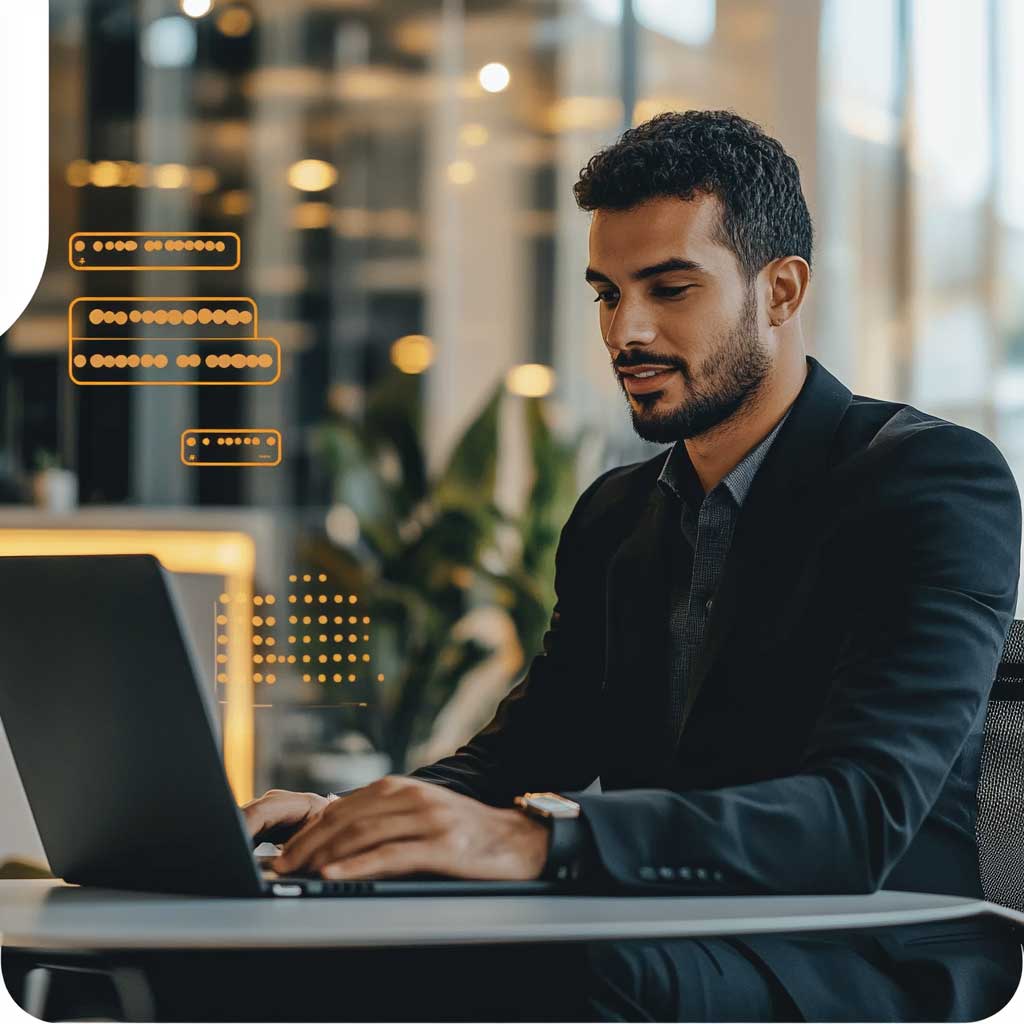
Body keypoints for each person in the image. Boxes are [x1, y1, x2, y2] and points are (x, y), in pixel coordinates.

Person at [244, 110, 1024, 1021]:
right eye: (608, 294)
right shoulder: (617, 513)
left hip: (863, 946)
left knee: (529, 979)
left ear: (780, 290)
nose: (626, 332)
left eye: (670, 288)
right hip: (667, 924)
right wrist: (356, 814)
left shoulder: (931, 480)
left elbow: (859, 817)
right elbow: (525, 752)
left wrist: (546, 840)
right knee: (305, 951)